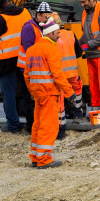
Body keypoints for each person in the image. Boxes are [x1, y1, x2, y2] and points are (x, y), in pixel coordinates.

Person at [23, 19, 75, 169]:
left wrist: (33, 91)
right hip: (50, 94)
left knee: (37, 125)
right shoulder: (51, 50)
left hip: (38, 94)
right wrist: (70, 92)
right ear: (50, 33)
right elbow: (58, 75)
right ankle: (44, 159)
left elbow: (27, 75)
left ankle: (35, 156)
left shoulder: (31, 50)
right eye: (57, 33)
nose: (59, 36)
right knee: (49, 127)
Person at [0, 0, 32, 133]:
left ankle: (13, 125)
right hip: (24, 57)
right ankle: (31, 125)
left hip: (6, 60)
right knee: (28, 91)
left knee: (8, 93)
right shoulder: (25, 12)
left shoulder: (2, 18)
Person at [16, 1, 54, 133]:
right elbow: (29, 50)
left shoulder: (40, 27)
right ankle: (30, 126)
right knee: (30, 98)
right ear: (38, 15)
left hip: (36, 69)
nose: (47, 20)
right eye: (45, 17)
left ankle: (36, 126)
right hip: (27, 69)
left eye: (49, 17)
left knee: (36, 99)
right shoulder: (29, 28)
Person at [52, 12, 85, 133]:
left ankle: (61, 127)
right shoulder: (71, 34)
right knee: (77, 93)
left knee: (59, 100)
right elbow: (79, 53)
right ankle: (78, 115)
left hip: (59, 76)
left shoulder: (50, 38)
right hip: (72, 74)